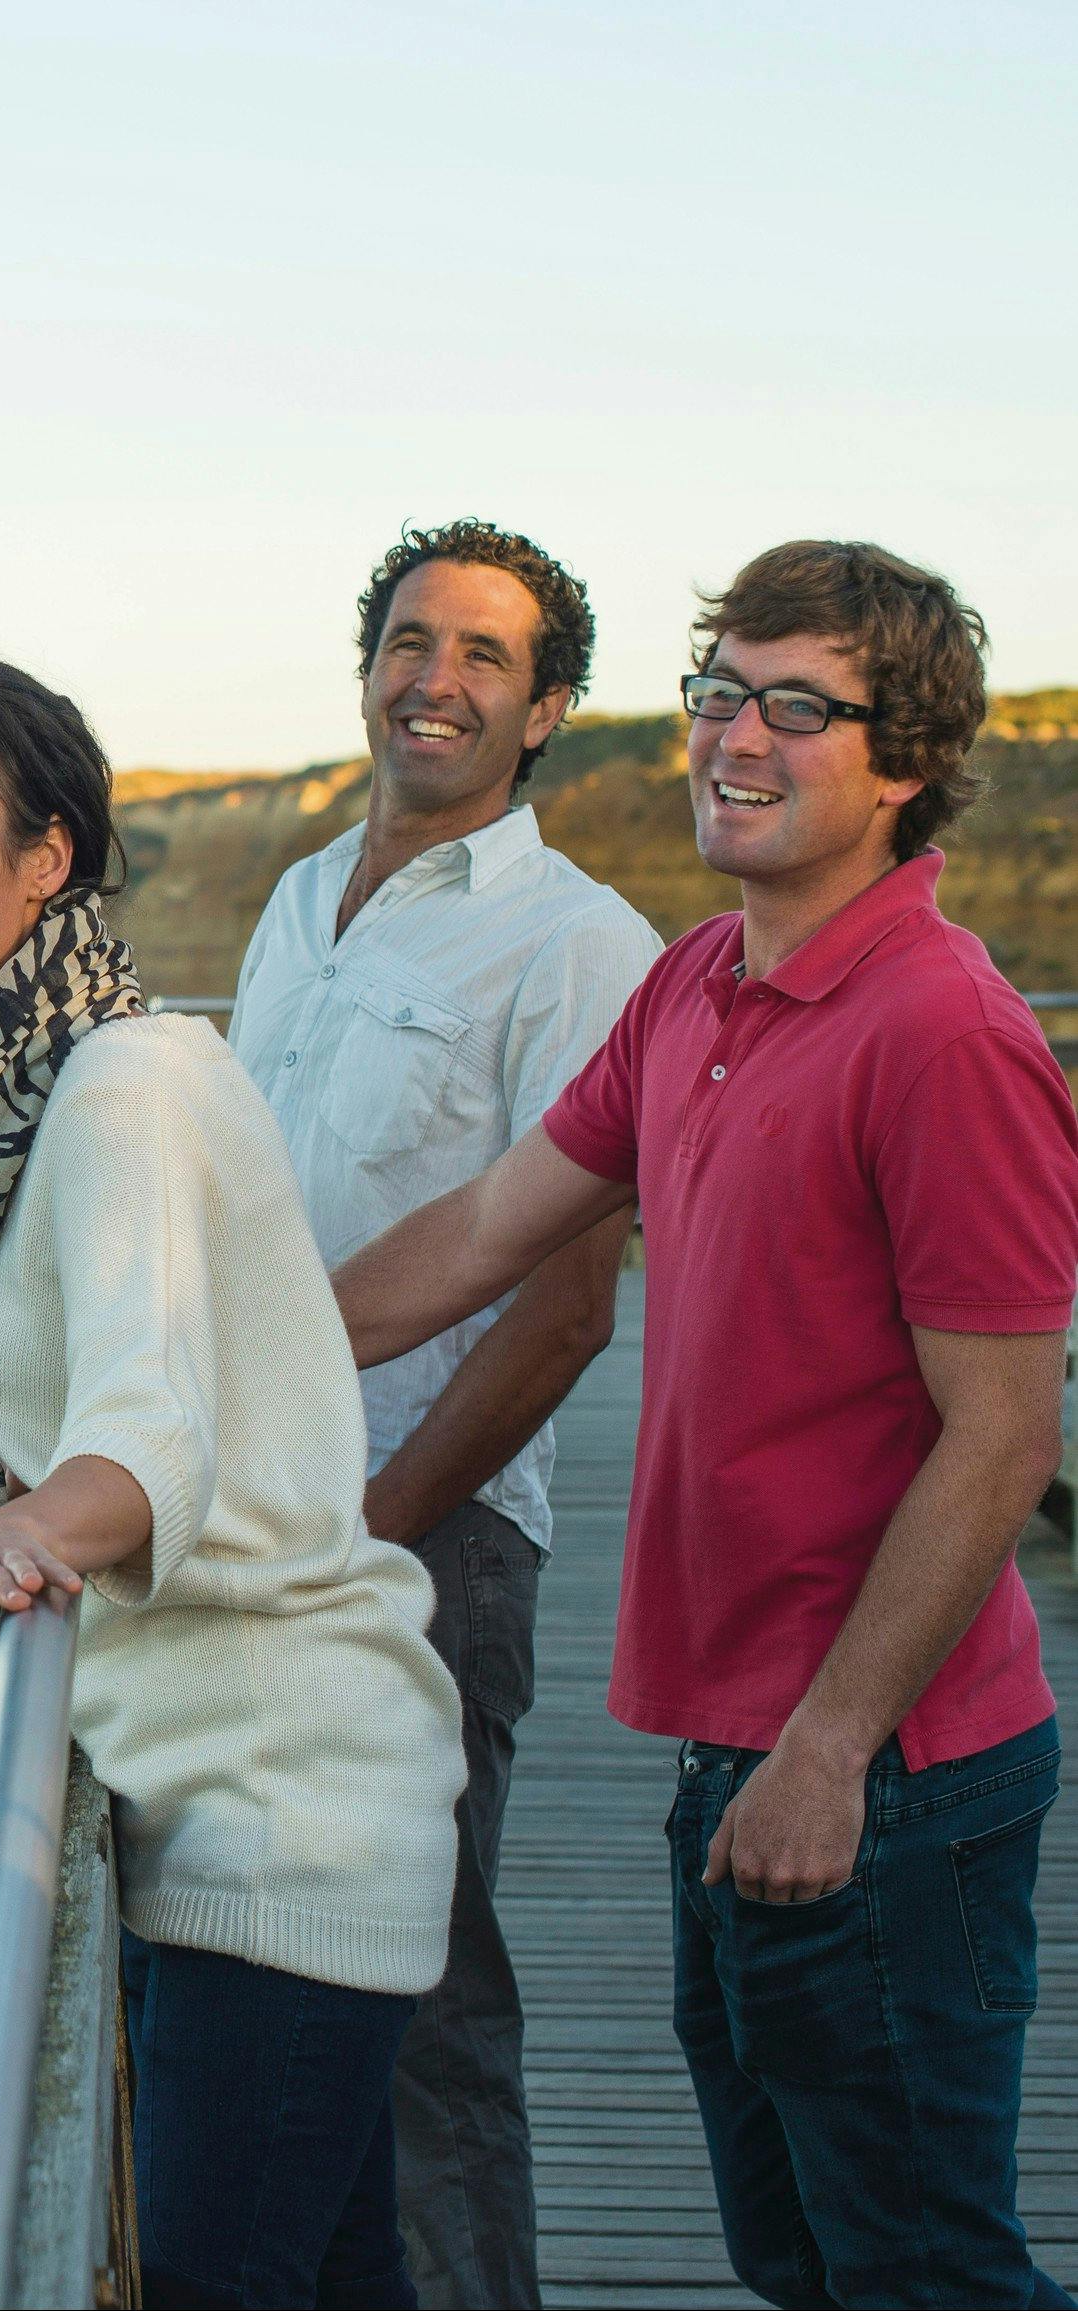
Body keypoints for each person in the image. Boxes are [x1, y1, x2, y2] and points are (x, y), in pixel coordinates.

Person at [332, 541, 1078, 2307]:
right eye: (719, 690)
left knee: (920, 2269)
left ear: (901, 764)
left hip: (886, 1771)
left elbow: (999, 1437)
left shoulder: (944, 1030)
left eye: (796, 707)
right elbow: (481, 1235)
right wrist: (198, 1384)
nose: (735, 737)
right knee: (797, 2258)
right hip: (726, 1742)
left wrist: (828, 1747)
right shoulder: (691, 987)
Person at [0, 651, 466, 2307]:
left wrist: (23, 1528)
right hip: (236, 1804)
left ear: (43, 858)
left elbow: (149, 1427)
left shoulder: (121, 1088)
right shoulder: (21, 1084)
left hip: (276, 1821)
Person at [227, 519, 662, 2308]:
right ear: (366, 666)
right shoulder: (292, 898)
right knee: (260, 1992)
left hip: (426, 1542)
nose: (437, 680)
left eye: (486, 657)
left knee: (421, 2015)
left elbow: (563, 1309)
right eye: (413, 640)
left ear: (546, 706)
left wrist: (379, 1528)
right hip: (244, 1524)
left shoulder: (580, 947)